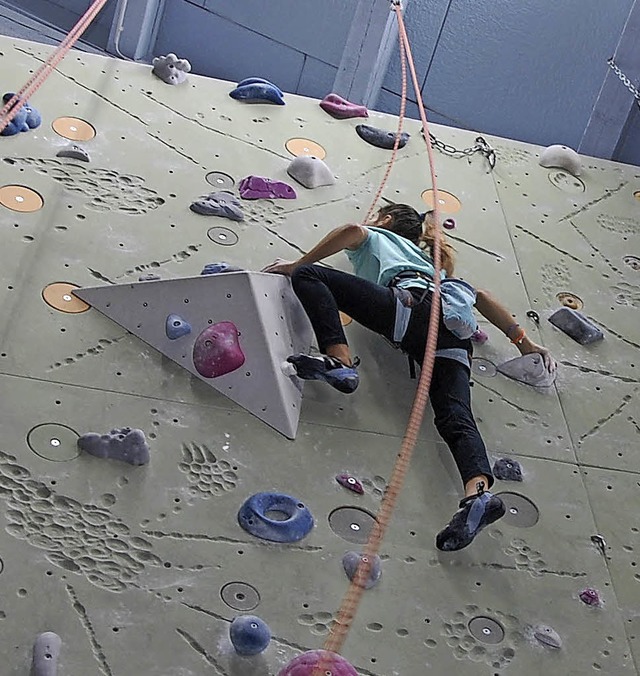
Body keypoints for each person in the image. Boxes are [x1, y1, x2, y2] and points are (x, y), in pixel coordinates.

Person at [263, 203, 556, 551]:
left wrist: (297, 264)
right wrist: (525, 343)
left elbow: (350, 232)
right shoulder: (436, 270)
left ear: (385, 220)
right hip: (454, 337)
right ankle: (478, 494)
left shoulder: (380, 236)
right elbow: (482, 297)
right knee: (456, 417)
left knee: (310, 276)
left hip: (412, 308)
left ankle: (338, 360)